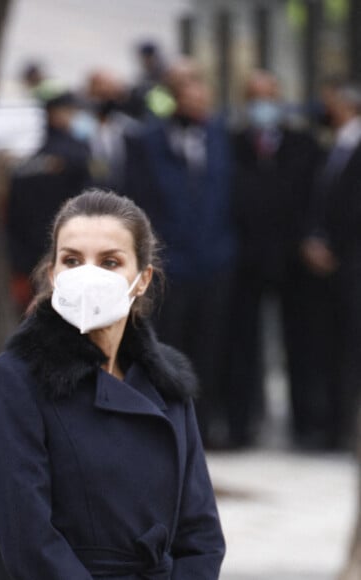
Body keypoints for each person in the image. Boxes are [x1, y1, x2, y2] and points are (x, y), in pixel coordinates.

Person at [0, 189, 225, 579]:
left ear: (142, 279)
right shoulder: (14, 380)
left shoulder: (167, 383)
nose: (88, 275)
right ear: (53, 274)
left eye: (110, 262)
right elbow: (27, 539)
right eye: (72, 261)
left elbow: (201, 533)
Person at [126, 56, 237, 448]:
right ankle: (167, 428)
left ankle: (203, 431)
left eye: (199, 88)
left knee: (210, 349)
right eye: (185, 89)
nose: (195, 97)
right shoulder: (147, 141)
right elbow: (137, 199)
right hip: (170, 265)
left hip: (214, 263)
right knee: (167, 348)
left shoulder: (220, 137)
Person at [228, 69, 323, 448]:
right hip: (246, 259)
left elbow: (314, 197)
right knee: (243, 346)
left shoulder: (304, 143)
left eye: (268, 96)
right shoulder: (232, 143)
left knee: (302, 344)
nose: (263, 105)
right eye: (255, 97)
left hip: (294, 260)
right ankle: (242, 423)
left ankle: (307, 425)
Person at [301, 77, 361, 450]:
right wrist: (313, 241)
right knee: (332, 349)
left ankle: (346, 429)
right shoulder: (332, 147)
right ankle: (334, 426)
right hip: (330, 271)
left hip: (353, 265)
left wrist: (333, 246)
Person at [5, 90, 91, 312]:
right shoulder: (76, 155)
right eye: (70, 112)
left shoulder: (30, 159)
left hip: (35, 256)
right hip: (69, 252)